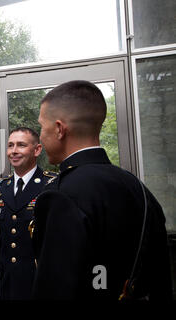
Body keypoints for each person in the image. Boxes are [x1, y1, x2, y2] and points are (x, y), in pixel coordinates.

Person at [31, 80, 172, 300]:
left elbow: (55, 288)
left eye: (42, 126)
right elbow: (160, 281)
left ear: (59, 129)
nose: (40, 135)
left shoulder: (60, 195)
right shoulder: (139, 189)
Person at [0, 127, 56, 300]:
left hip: (41, 287)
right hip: (8, 287)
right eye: (10, 145)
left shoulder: (52, 185)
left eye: (21, 145)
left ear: (37, 150)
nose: (14, 151)